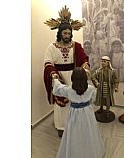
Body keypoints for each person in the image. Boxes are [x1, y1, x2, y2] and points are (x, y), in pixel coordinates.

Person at [43, 6, 90, 137]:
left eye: (69, 33)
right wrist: (54, 75)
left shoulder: (76, 46)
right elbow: (48, 63)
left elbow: (84, 59)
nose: (67, 35)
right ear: (59, 33)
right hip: (59, 79)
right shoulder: (51, 47)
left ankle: (74, 125)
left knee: (74, 102)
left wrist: (85, 67)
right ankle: (61, 126)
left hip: (74, 78)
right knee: (61, 105)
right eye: (65, 33)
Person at [53, 67, 105, 158]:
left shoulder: (69, 90)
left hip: (74, 114)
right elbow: (94, 99)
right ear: (85, 77)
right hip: (88, 113)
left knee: (74, 133)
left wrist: (56, 79)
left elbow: (57, 89)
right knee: (89, 131)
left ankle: (74, 152)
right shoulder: (91, 89)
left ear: (73, 78)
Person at [91, 56, 119, 122]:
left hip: (108, 88)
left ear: (108, 63)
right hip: (101, 87)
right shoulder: (98, 71)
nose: (103, 63)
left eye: (104, 61)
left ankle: (107, 111)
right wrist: (96, 83)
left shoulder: (112, 71)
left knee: (107, 100)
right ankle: (101, 108)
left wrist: (116, 87)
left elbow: (116, 80)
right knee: (101, 98)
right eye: (102, 61)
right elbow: (93, 77)